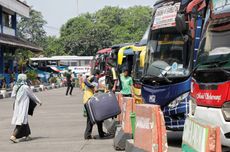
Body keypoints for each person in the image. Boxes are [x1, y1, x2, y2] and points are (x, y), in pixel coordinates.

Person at [10, 74, 42, 143]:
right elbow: (32, 96)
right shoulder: (25, 87)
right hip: (23, 106)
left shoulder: (15, 86)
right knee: (21, 121)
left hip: (16, 106)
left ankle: (27, 135)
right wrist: (39, 101)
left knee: (24, 120)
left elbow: (12, 96)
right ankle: (13, 136)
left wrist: (19, 97)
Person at [83, 70, 109, 139]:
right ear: (97, 74)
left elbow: (97, 87)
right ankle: (100, 134)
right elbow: (85, 81)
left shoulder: (94, 80)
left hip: (88, 100)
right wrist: (92, 86)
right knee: (98, 116)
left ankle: (88, 135)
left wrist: (103, 88)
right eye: (99, 75)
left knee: (91, 118)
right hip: (90, 100)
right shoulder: (94, 77)